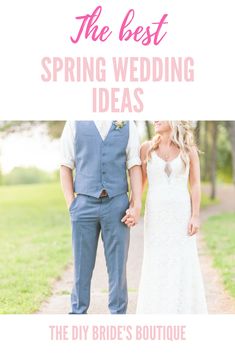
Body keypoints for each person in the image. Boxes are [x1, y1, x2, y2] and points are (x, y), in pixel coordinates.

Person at [60, 120, 142, 314]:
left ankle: (118, 315)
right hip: (84, 204)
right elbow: (65, 165)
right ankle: (78, 314)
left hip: (117, 204)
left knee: (118, 267)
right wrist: (72, 204)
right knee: (81, 266)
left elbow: (134, 165)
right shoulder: (74, 122)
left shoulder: (127, 122)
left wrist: (136, 204)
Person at [136, 121, 208, 314]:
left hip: (181, 216)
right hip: (156, 216)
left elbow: (194, 184)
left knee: (182, 260)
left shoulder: (188, 150)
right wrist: (134, 206)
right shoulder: (146, 149)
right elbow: (140, 183)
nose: (155, 120)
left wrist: (195, 215)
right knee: (156, 260)